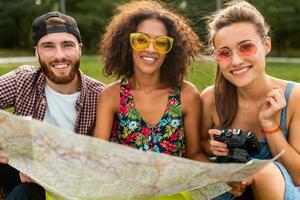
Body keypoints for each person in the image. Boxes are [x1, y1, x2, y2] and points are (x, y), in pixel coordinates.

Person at [94, 0, 211, 198]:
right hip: (126, 192)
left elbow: (194, 154)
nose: (150, 49)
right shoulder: (111, 96)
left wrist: (226, 176)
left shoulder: (187, 95)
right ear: (127, 43)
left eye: (161, 42)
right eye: (141, 40)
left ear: (171, 49)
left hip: (174, 192)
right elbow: (99, 155)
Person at [200, 0, 300, 199]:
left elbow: (298, 176)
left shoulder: (295, 97)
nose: (236, 61)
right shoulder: (210, 98)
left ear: (266, 45)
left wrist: (270, 124)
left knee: (264, 171)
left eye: (246, 47)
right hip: (228, 191)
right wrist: (211, 147)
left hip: (278, 192)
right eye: (225, 53)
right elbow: (198, 148)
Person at [0, 11, 105, 200]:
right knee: (26, 191)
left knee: (25, 193)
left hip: (73, 187)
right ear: (36, 51)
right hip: (25, 178)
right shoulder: (23, 80)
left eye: (67, 45)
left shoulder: (100, 96)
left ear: (80, 48)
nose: (59, 55)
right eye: (48, 46)